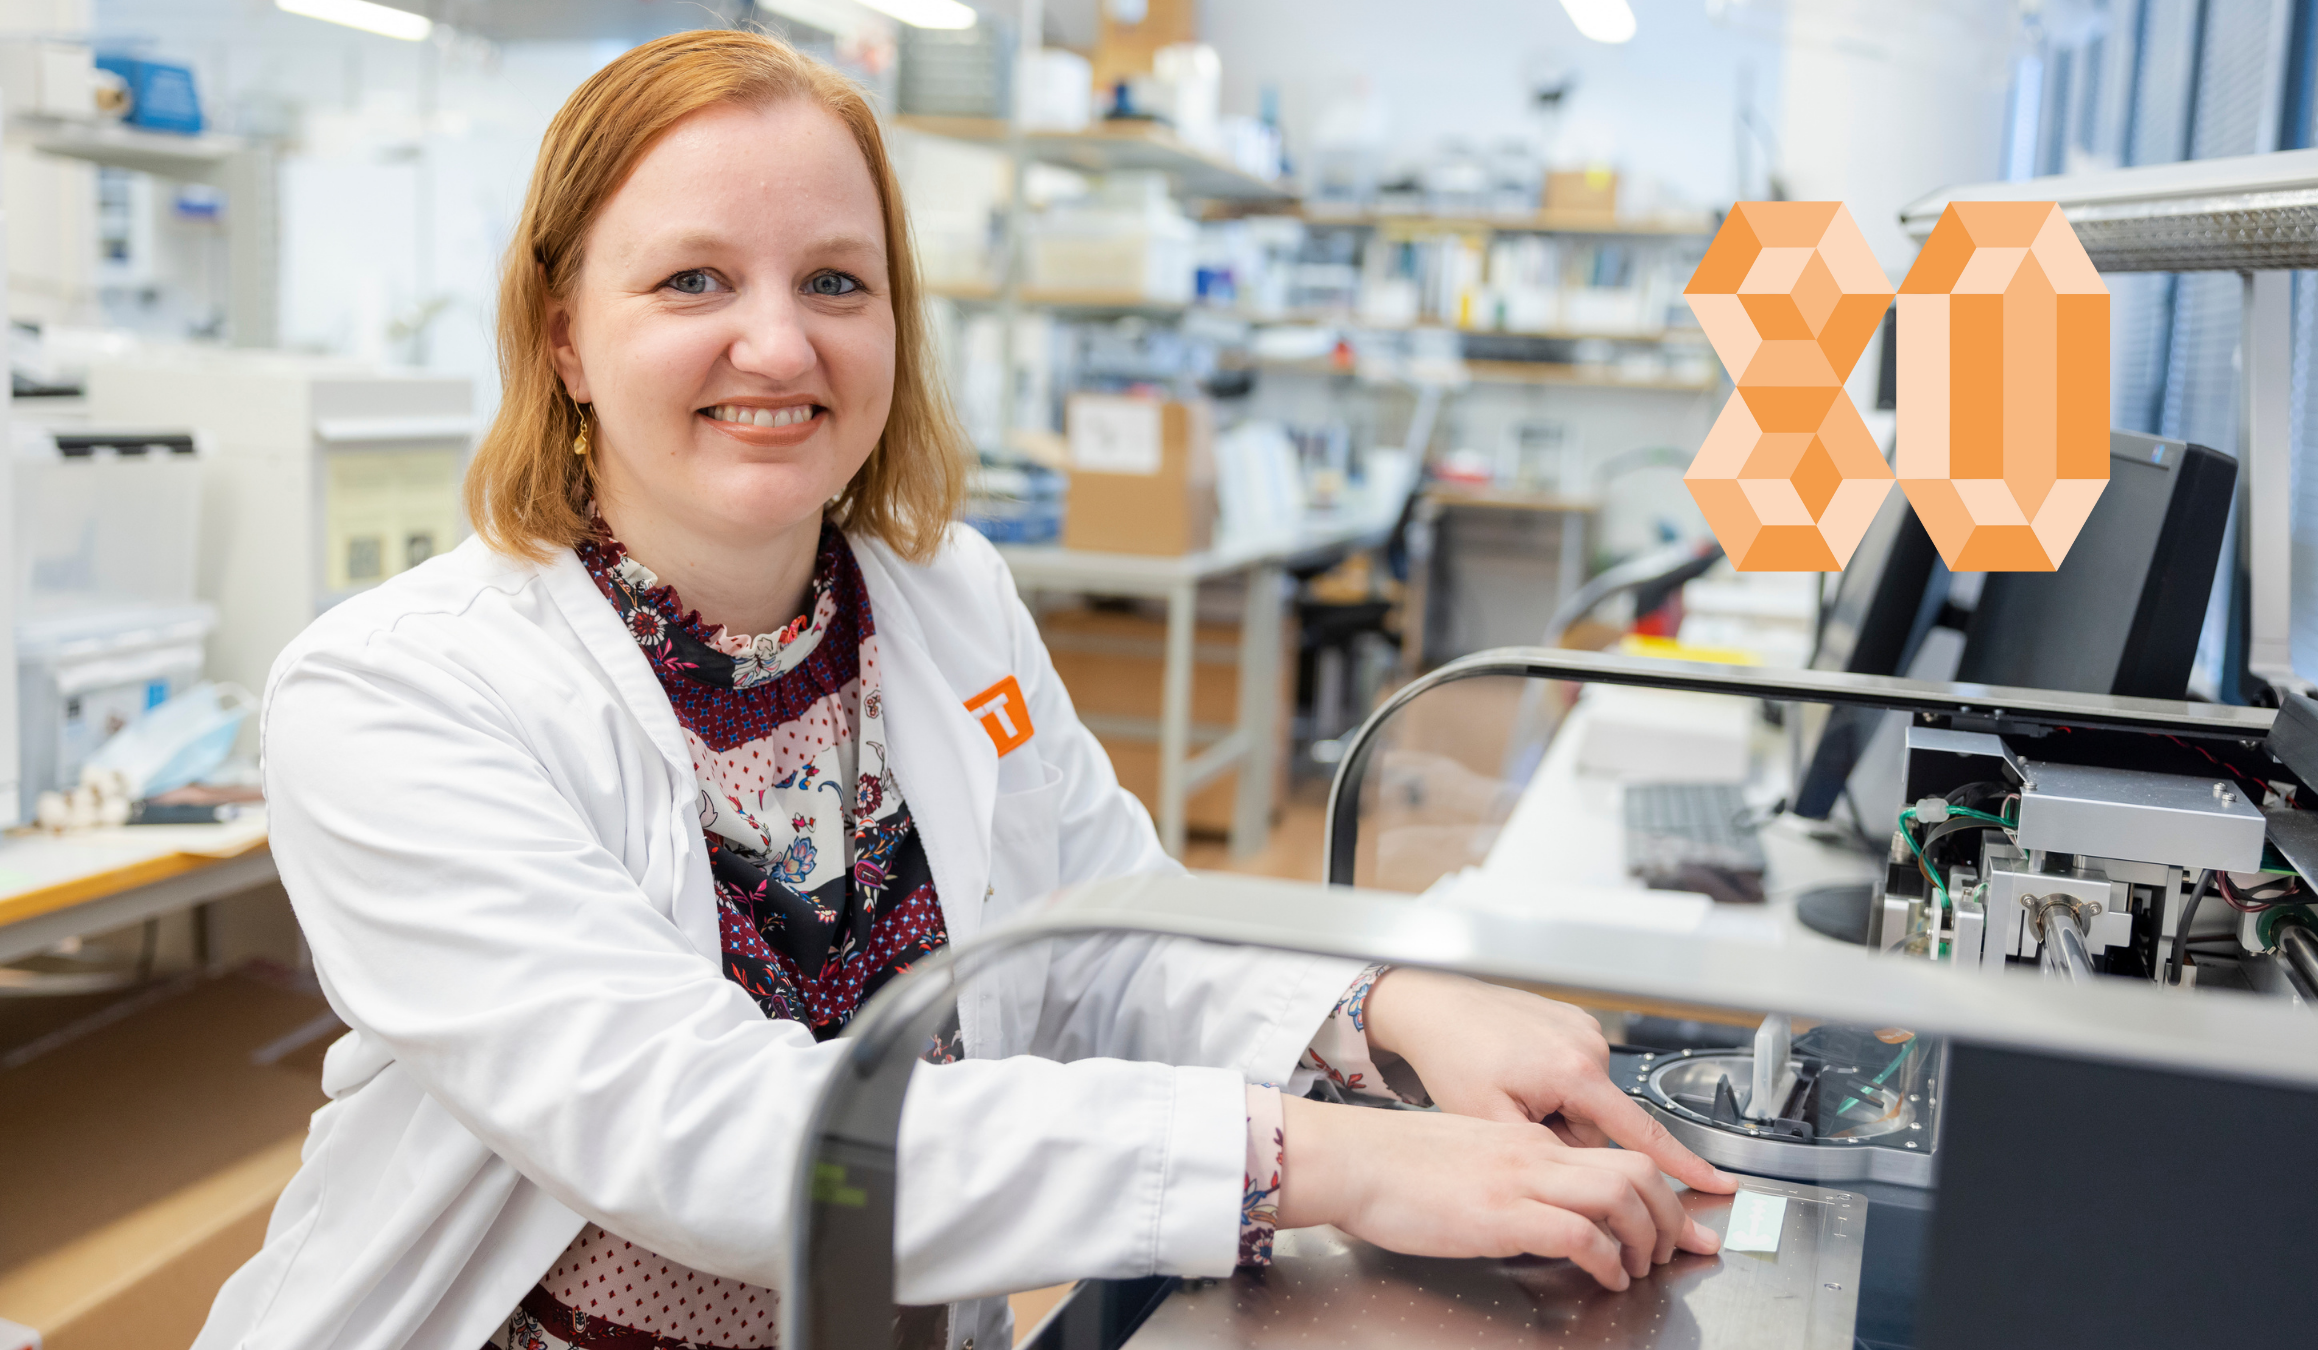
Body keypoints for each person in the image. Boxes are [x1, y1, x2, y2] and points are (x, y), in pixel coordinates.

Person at [194, 30, 1731, 1350]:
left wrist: (1380, 1007)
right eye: (692, 279)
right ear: (563, 336)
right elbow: (709, 1137)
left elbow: (1101, 939)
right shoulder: (397, 693)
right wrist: (1304, 1159)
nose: (778, 341)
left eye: (837, 280)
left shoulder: (946, 607)